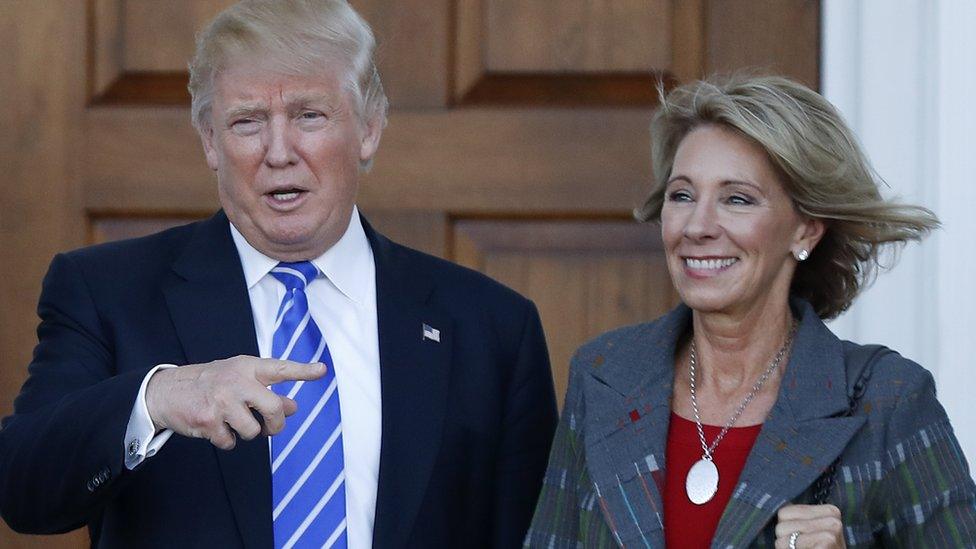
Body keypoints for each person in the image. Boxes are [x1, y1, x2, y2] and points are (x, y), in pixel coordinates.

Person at [0, 1, 558, 547]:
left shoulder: (493, 327)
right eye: (247, 122)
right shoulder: (106, 293)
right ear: (210, 142)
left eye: (309, 116)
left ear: (369, 129)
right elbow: (23, 489)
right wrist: (158, 398)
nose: (279, 151)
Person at [525, 75, 976, 548]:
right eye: (682, 195)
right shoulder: (603, 376)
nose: (697, 226)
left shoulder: (887, 400)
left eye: (736, 199)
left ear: (806, 230)